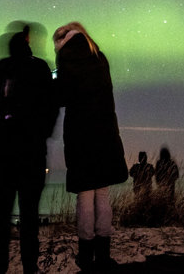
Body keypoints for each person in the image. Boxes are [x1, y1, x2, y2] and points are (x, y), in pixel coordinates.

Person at [0, 25, 59, 274]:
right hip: (32, 151)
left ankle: (1, 269)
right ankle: (30, 268)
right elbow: (53, 104)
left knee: (2, 215)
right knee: (29, 215)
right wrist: (43, 131)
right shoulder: (40, 67)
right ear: (27, 45)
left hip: (4, 152)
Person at [53, 22, 128, 272]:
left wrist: (53, 80)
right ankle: (104, 255)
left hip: (81, 136)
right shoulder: (99, 56)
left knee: (85, 197)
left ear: (62, 40)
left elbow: (62, 96)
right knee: (103, 195)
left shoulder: (67, 58)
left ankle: (86, 255)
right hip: (105, 133)